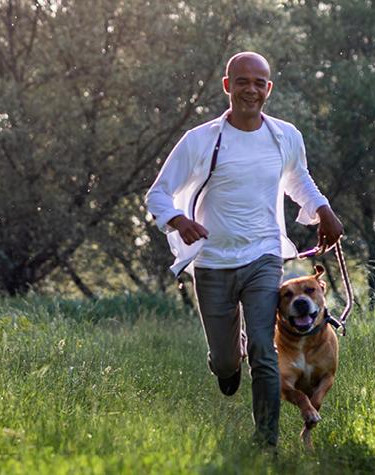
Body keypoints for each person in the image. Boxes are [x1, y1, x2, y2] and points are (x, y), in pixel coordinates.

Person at [144, 51, 344, 447]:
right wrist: (179, 221)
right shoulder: (200, 140)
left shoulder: (285, 135)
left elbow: (297, 178)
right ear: (227, 85)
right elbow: (157, 194)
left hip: (263, 256)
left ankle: (266, 443)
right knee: (225, 361)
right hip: (213, 262)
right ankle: (227, 362)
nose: (251, 89)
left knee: (264, 353)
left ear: (268, 88)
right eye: (242, 81)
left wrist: (324, 211)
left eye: (259, 82)